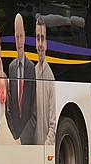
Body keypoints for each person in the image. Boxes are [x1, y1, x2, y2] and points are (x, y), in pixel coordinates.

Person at [7, 13, 36, 144]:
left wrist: (23, 138)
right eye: (16, 37)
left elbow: (33, 110)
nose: (19, 41)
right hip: (14, 138)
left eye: (21, 36)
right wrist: (15, 137)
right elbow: (10, 107)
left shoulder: (31, 68)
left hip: (28, 138)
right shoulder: (11, 68)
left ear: (24, 37)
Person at [34, 14, 57, 146]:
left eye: (43, 38)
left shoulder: (50, 77)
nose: (40, 44)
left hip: (44, 148)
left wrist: (46, 147)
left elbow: (53, 123)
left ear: (46, 43)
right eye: (38, 38)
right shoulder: (32, 73)